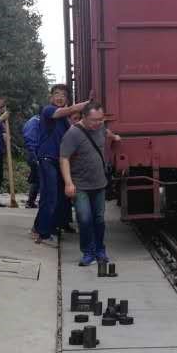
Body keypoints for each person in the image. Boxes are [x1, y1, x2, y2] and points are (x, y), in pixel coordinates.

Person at [60, 102, 121, 266]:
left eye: (101, 119)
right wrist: (68, 183)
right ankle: (88, 252)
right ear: (84, 117)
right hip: (80, 185)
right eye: (94, 120)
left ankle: (100, 250)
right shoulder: (73, 134)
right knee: (85, 218)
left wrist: (114, 137)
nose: (98, 123)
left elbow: (106, 132)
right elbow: (64, 158)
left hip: (99, 183)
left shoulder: (100, 127)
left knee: (99, 219)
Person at [31, 86, 91, 243]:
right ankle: (42, 233)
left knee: (57, 197)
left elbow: (74, 132)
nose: (59, 97)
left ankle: (47, 228)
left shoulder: (64, 120)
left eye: (63, 95)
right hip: (47, 158)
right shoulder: (48, 110)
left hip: (58, 161)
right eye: (56, 94)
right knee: (49, 196)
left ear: (67, 99)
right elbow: (69, 110)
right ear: (50, 97)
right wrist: (88, 103)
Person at [22, 111, 43, 209]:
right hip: (34, 153)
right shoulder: (35, 122)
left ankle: (31, 201)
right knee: (39, 177)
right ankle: (32, 201)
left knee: (36, 178)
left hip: (34, 152)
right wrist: (34, 154)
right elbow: (30, 138)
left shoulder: (34, 121)